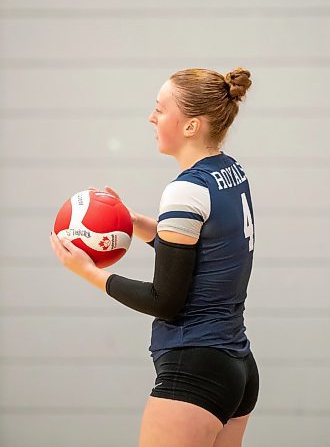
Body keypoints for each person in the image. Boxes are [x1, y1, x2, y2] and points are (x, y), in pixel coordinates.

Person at [50, 67, 259, 447]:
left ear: (191, 126)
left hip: (194, 371)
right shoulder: (230, 171)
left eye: (160, 109)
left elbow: (165, 300)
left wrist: (86, 271)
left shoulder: (185, 190)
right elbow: (205, 253)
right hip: (237, 368)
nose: (152, 116)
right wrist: (137, 224)